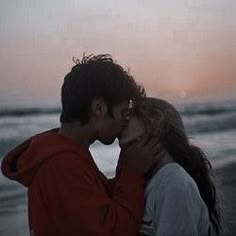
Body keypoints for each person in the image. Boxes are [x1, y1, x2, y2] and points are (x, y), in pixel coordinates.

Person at [1, 54, 160, 236]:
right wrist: (132, 173)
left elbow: (99, 205)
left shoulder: (66, 155)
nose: (125, 121)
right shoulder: (62, 165)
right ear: (99, 108)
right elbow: (115, 231)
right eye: (123, 112)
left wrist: (126, 166)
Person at [119, 97, 222, 236]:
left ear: (154, 123)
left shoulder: (174, 183)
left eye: (132, 113)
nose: (123, 120)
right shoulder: (147, 181)